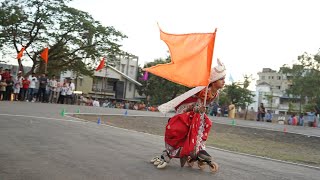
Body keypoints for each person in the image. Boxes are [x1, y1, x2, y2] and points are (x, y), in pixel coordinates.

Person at [150, 59, 226, 169]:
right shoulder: (204, 91)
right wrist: (199, 109)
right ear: (214, 81)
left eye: (224, 78)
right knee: (178, 130)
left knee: (204, 125)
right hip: (186, 109)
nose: (224, 81)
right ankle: (168, 154)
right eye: (221, 79)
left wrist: (202, 110)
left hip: (197, 112)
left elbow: (202, 108)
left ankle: (196, 151)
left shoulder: (216, 93)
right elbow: (195, 107)